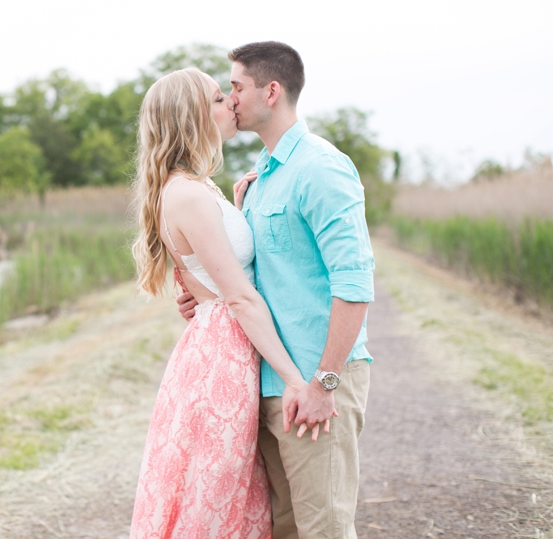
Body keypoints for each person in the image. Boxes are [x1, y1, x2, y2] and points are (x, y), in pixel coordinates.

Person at [176, 42, 375, 539]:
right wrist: (206, 299)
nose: (231, 100)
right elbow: (258, 279)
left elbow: (354, 283)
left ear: (271, 90)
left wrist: (324, 384)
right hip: (265, 384)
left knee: (324, 527)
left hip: (314, 378)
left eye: (236, 88)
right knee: (282, 528)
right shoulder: (258, 179)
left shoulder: (321, 168)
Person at [129, 67, 327, 539]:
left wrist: (237, 211)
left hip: (221, 345)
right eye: (219, 98)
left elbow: (215, 276)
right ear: (193, 115)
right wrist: (297, 381)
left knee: (232, 487)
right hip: (223, 356)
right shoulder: (188, 195)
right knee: (218, 488)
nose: (231, 104)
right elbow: (238, 295)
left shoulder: (195, 188)